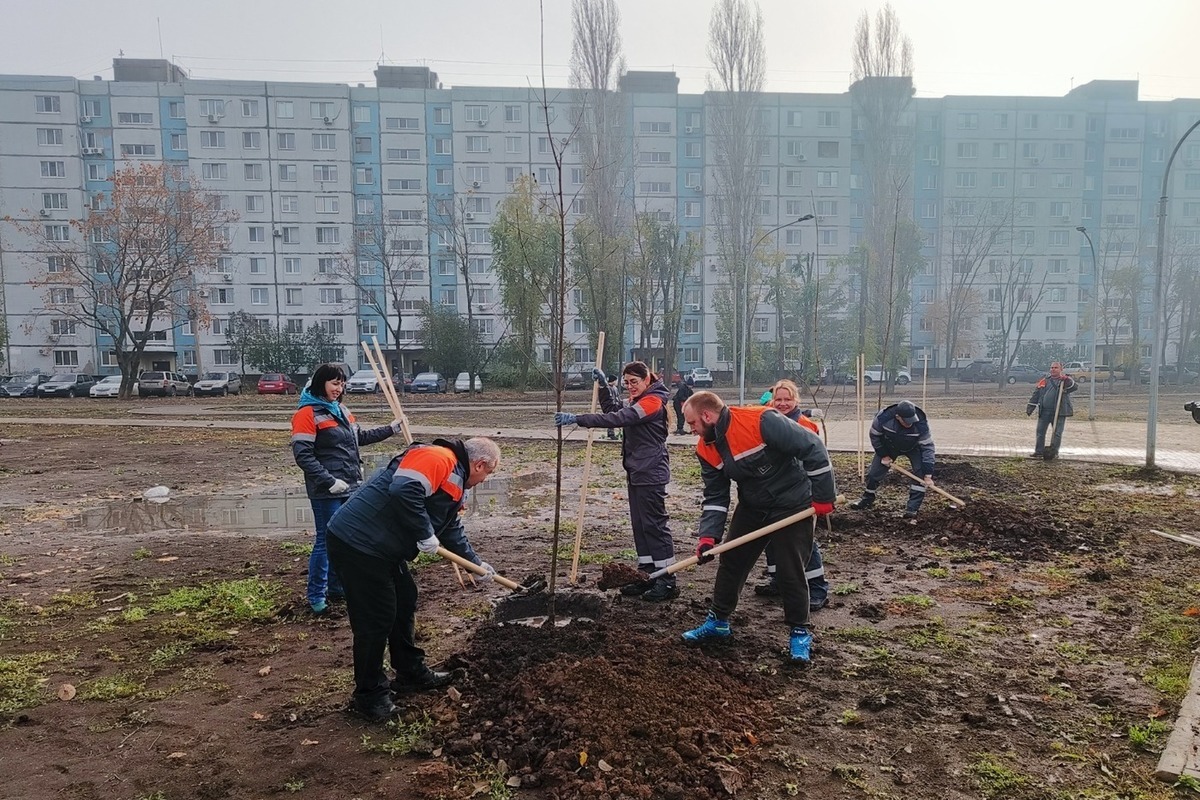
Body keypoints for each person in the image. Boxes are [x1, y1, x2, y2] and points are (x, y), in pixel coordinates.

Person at [326, 436, 501, 722]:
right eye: (488, 473)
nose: (484, 479)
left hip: (381, 547)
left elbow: (450, 528)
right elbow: (403, 489)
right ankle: (369, 696)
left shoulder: (456, 481)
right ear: (479, 464)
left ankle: (409, 670)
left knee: (405, 599)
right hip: (357, 542)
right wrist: (423, 532)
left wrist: (476, 564)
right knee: (376, 618)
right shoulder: (438, 458)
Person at [678, 390, 837, 664]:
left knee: (790, 569)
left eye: (692, 423)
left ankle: (799, 632)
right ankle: (718, 621)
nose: (691, 430)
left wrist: (823, 497)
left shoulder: (761, 420)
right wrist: (708, 536)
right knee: (732, 560)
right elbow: (716, 496)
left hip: (793, 502)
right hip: (753, 504)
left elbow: (812, 447)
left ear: (707, 415)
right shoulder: (706, 447)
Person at [554, 361, 679, 601]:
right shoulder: (638, 399)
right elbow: (613, 409)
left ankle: (667, 580)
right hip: (637, 471)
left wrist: (577, 419)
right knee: (641, 525)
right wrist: (603, 386)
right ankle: (647, 576)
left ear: (646, 381)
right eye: (626, 383)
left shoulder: (652, 402)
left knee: (654, 525)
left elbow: (619, 418)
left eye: (634, 382)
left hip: (651, 471)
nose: (630, 387)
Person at [291, 363, 403, 615]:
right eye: (334, 383)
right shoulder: (306, 413)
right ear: (321, 383)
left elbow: (359, 437)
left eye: (341, 383)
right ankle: (316, 596)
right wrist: (328, 480)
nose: (338, 388)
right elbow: (303, 455)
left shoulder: (340, 409)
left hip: (350, 485)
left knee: (343, 540)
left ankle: (337, 587)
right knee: (324, 541)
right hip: (326, 490)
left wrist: (391, 428)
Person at [754, 380, 831, 611]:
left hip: (800, 491)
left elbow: (815, 457)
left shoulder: (805, 424)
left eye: (788, 399)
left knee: (803, 540)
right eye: (779, 399)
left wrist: (818, 493)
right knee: (771, 536)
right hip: (774, 491)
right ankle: (778, 580)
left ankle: (817, 588)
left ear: (796, 401)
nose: (783, 403)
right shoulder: (767, 422)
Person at [849, 400, 936, 519]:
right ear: (898, 417)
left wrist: (928, 474)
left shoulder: (920, 423)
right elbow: (874, 436)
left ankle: (912, 509)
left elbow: (927, 447)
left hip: (914, 448)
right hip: (889, 445)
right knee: (874, 473)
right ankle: (867, 500)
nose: (910, 424)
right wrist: (883, 454)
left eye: (912, 420)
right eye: (906, 421)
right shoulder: (884, 418)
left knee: (920, 474)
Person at [1027, 362, 1077, 459]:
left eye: (1056, 368)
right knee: (1040, 432)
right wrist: (1030, 407)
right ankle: (1039, 452)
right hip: (1044, 411)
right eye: (1052, 367)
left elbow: (1074, 387)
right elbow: (1036, 394)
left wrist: (1067, 380)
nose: (1053, 369)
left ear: (1061, 369)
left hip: (1059, 412)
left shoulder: (1064, 381)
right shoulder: (1045, 381)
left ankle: (1054, 452)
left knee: (1057, 433)